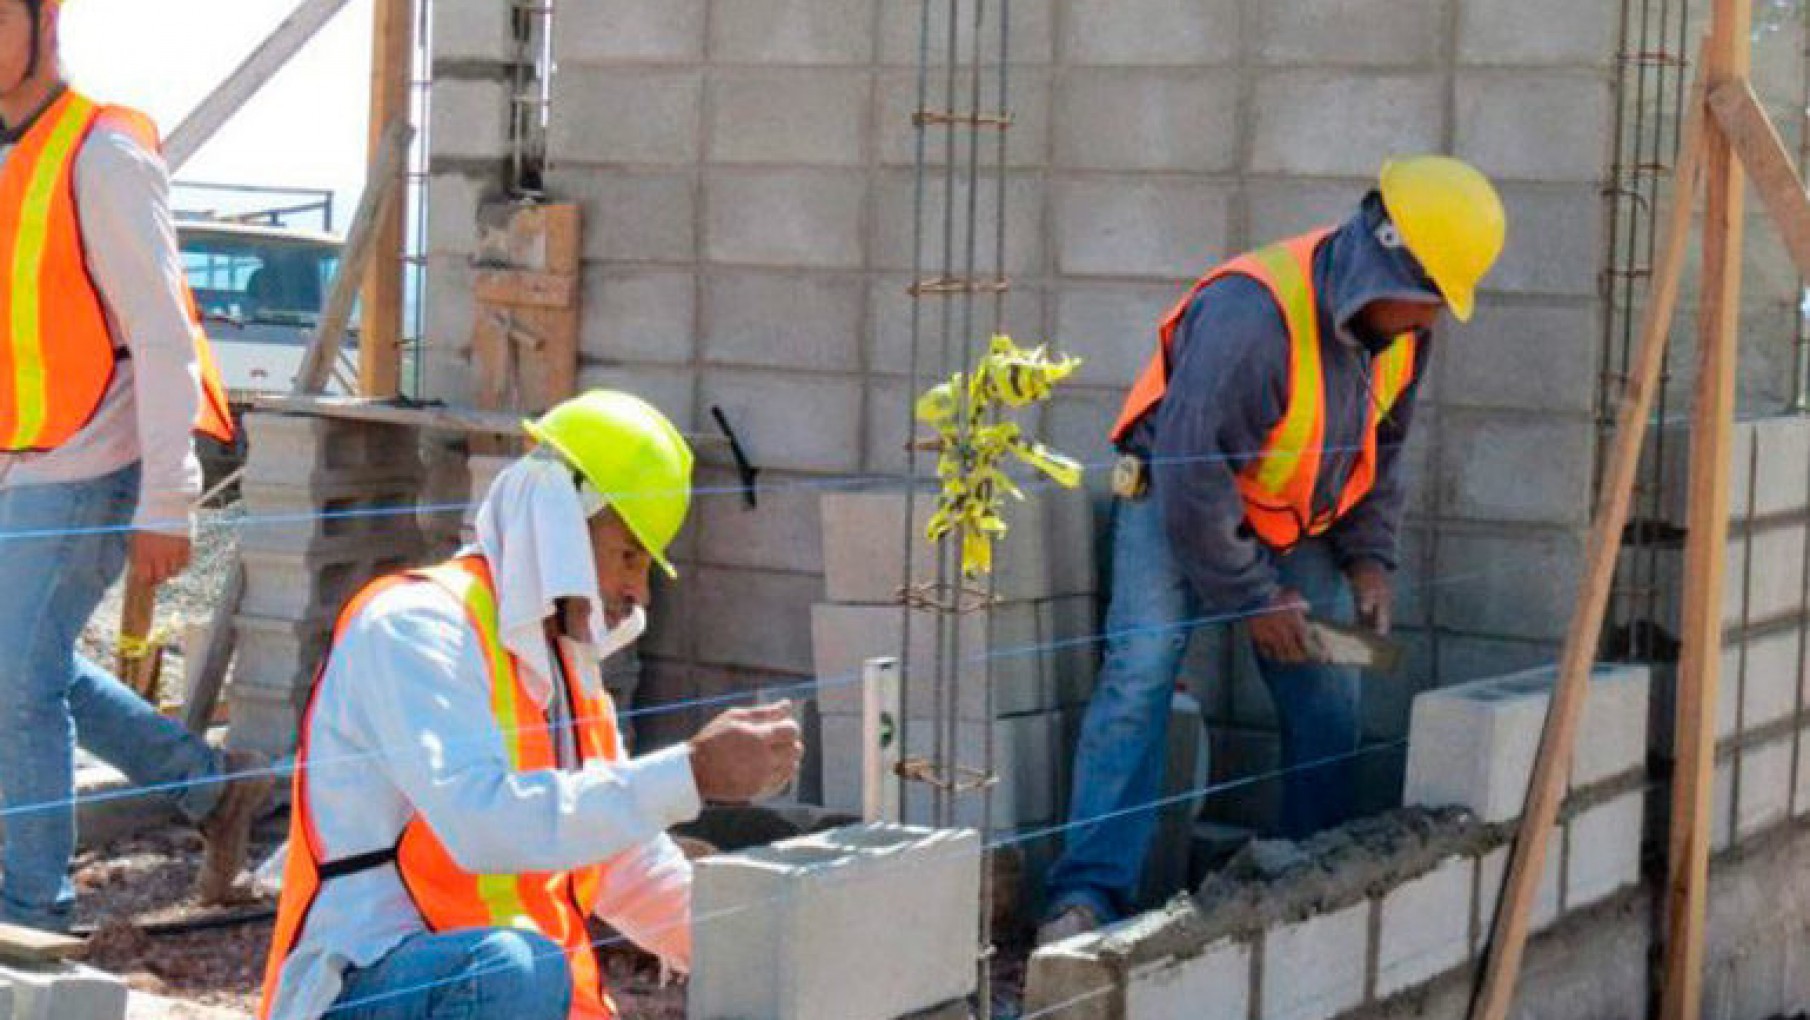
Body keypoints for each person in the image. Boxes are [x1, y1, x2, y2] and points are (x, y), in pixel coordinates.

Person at [1039, 156, 1507, 943]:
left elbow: (1382, 449)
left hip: (1289, 519)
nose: (1431, 321)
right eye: (1427, 300)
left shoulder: (1400, 337)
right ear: (1386, 265)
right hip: (1173, 500)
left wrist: (1368, 558)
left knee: (1331, 677)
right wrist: (1254, 598)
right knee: (1141, 672)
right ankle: (1085, 897)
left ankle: (1309, 876)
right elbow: (1194, 479)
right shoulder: (1252, 317)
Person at [258, 390, 806, 1020]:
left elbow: (631, 866)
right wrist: (692, 771)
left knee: (523, 970)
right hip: (364, 988)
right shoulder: (416, 625)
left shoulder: (569, 675)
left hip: (502, 993)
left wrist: (771, 953)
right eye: (628, 554)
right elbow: (482, 825)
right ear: (560, 522)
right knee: (515, 969)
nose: (637, 589)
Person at [0, 0, 266, 931]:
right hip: (22, 461)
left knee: (15, 684)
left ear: (46, 20)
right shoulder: (10, 157)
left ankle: (30, 914)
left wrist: (168, 499)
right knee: (21, 666)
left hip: (91, 463)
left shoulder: (103, 155)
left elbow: (161, 337)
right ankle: (206, 788)